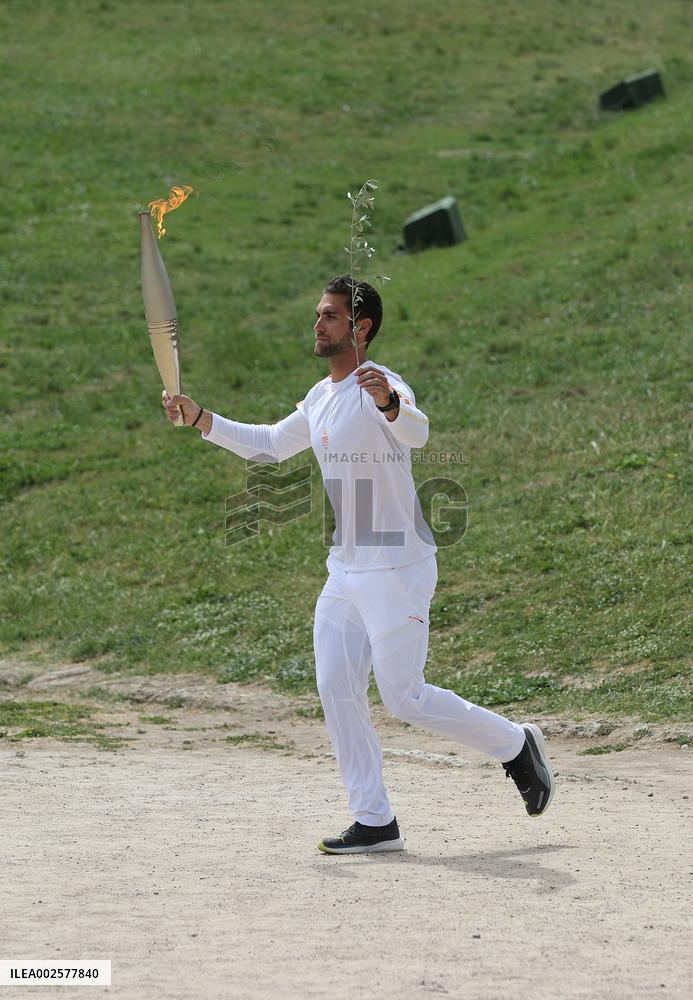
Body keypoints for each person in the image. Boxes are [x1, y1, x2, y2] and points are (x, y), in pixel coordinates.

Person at [162, 274, 556, 855]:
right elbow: (270, 443)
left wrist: (390, 404)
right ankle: (374, 820)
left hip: (397, 567)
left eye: (329, 316)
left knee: (405, 698)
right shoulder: (322, 396)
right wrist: (201, 419)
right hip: (346, 568)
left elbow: (418, 434)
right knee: (335, 685)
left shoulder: (384, 385)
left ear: (360, 327)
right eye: (318, 314)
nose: (317, 324)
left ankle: (516, 744)